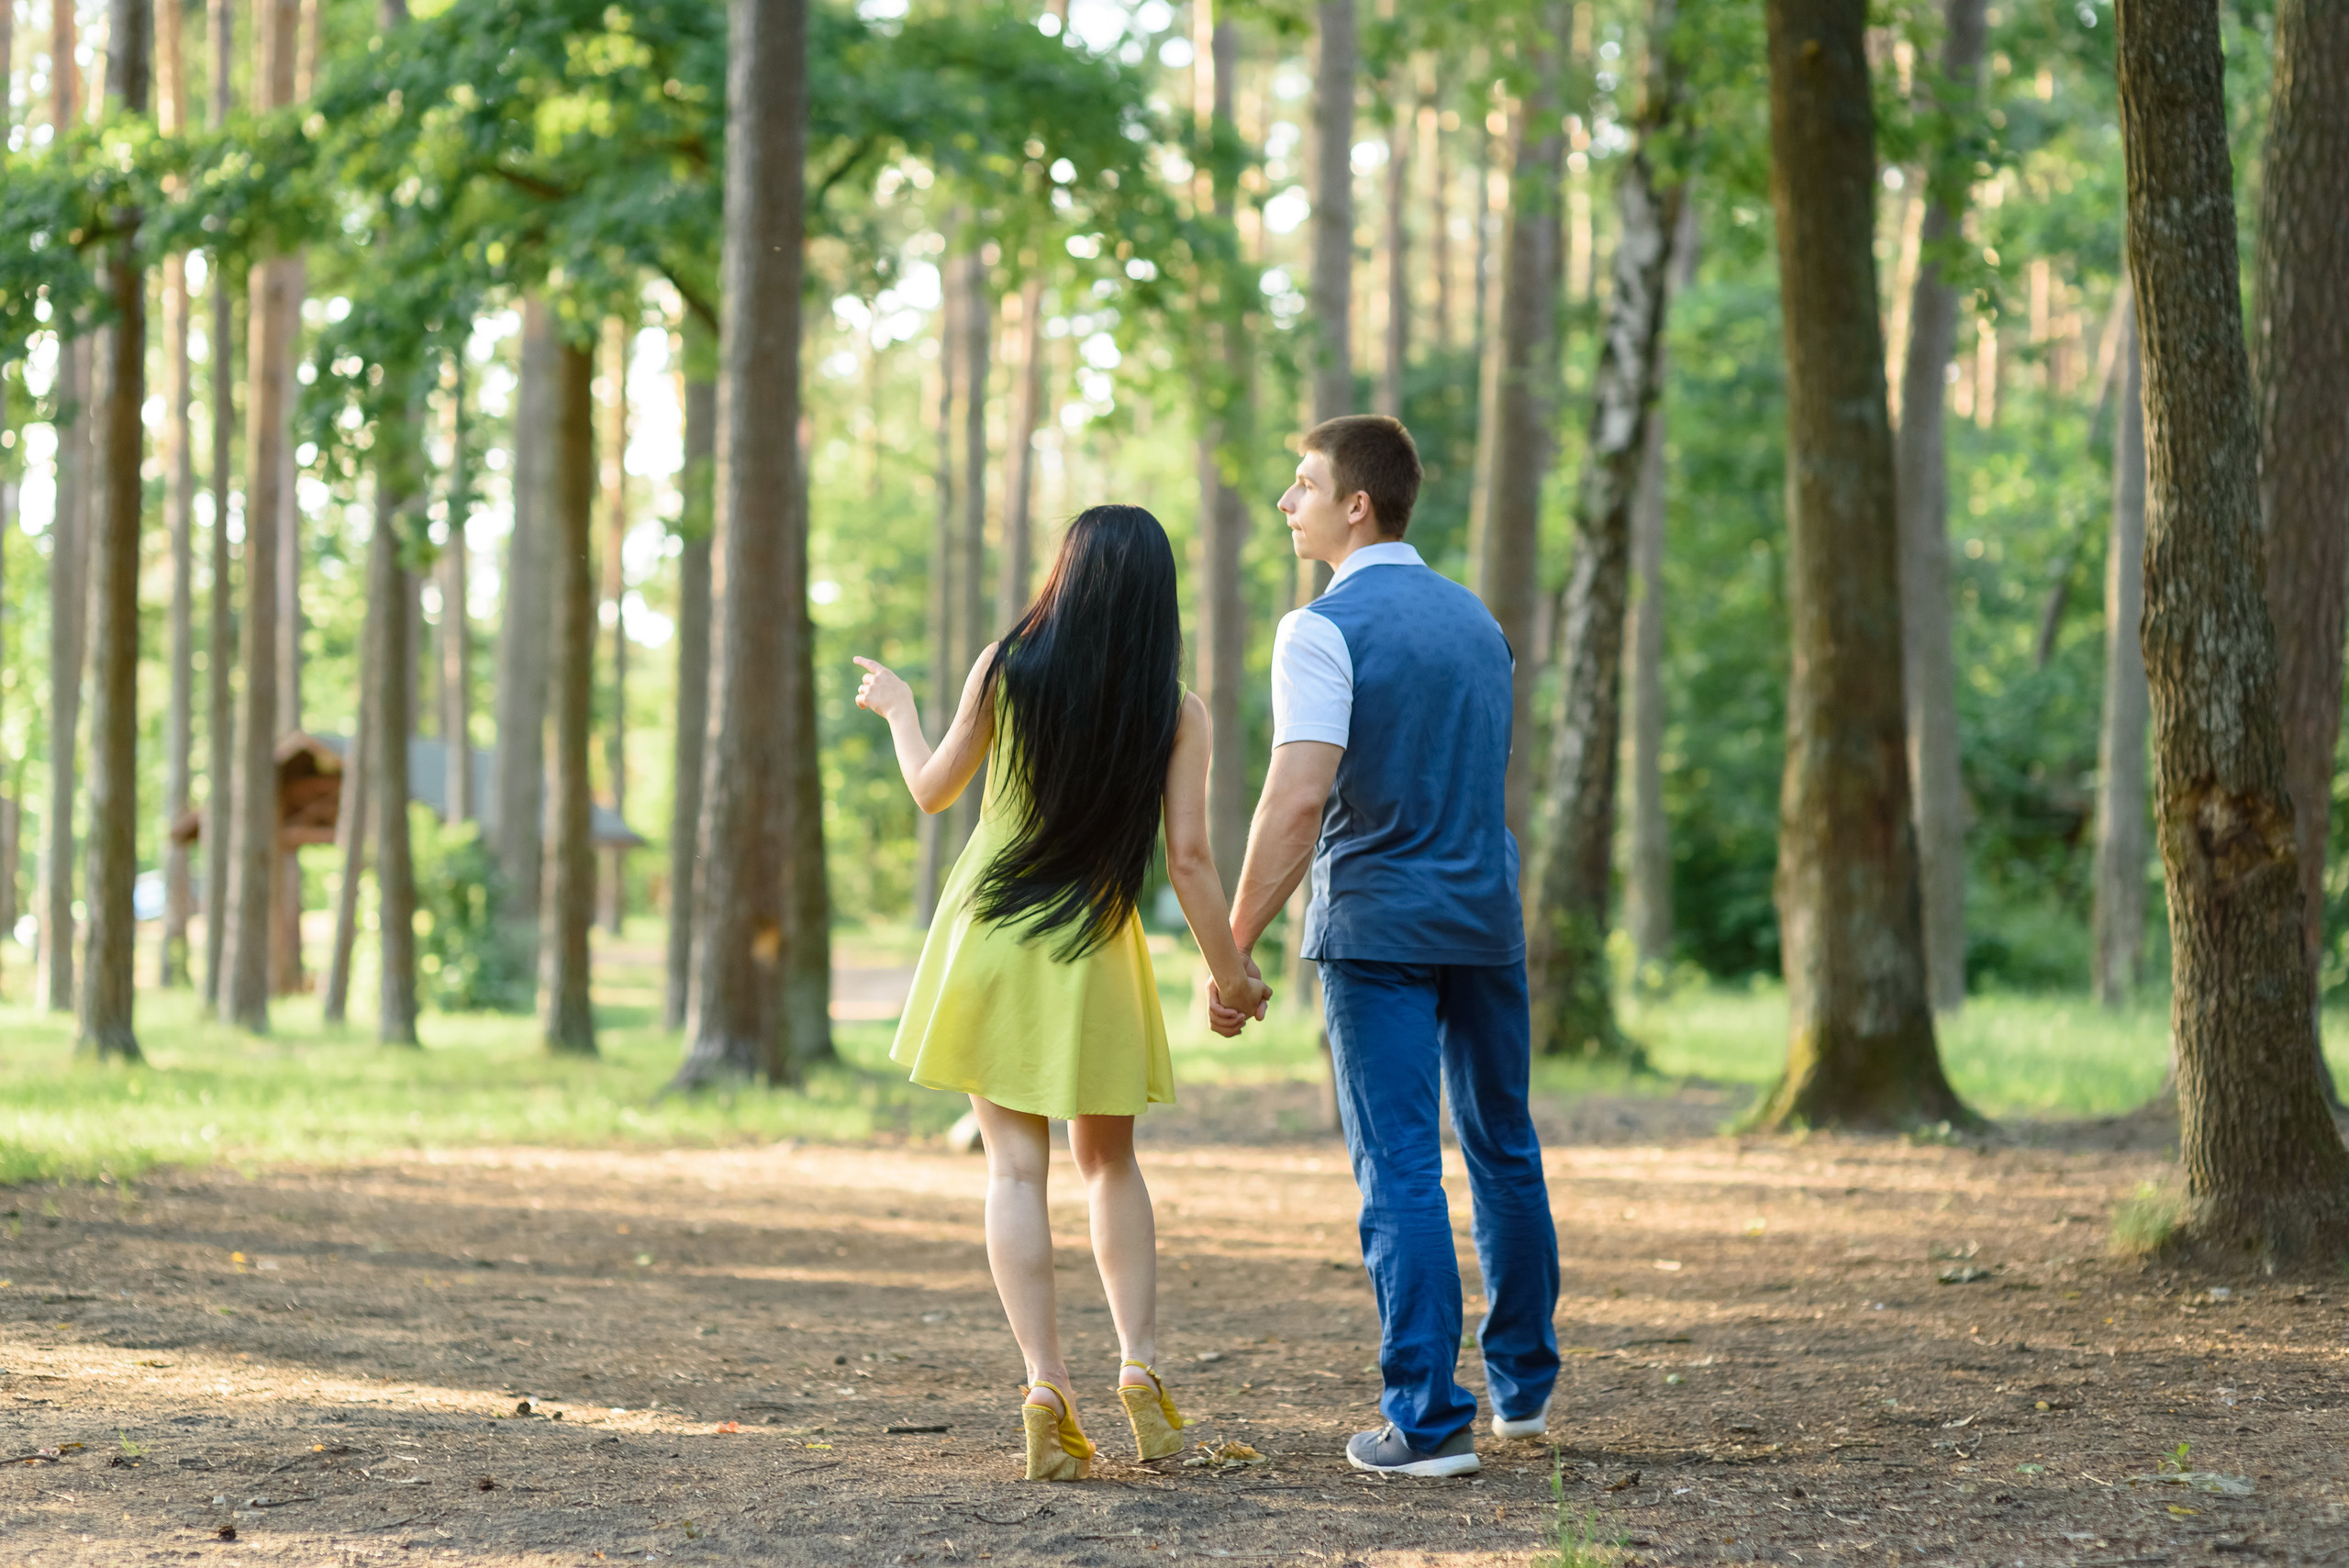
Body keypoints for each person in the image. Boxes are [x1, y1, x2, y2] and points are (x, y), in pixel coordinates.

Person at [854, 504, 1273, 1483]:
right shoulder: (1174, 709)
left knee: (1012, 1170)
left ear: (1068, 575)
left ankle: (1046, 1386)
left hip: (989, 934)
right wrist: (1232, 973)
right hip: (1092, 945)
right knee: (1109, 1164)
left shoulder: (1007, 666)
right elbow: (1193, 858)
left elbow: (931, 790)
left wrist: (901, 707)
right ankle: (1141, 1368)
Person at [1210, 415, 1561, 1479]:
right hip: (1486, 919)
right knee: (1503, 1143)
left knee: (1399, 1160)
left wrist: (1232, 947)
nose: (1288, 502)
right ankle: (1521, 1390)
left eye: (1303, 484)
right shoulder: (1479, 622)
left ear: (1354, 504)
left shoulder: (1320, 627)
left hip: (1377, 931)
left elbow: (1297, 797)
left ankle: (1423, 1417)